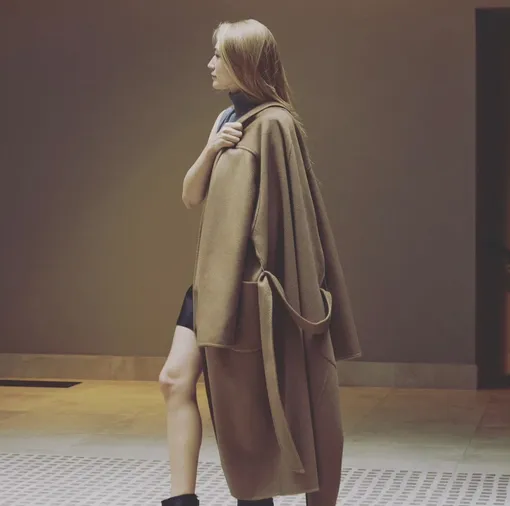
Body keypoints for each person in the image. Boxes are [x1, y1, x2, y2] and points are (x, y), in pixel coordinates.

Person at [159, 19, 361, 506]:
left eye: (219, 55)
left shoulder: (275, 124)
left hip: (247, 292)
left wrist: (267, 291)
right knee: (174, 380)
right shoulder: (227, 120)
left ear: (243, 63)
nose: (210, 64)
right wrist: (212, 148)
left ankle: (258, 497)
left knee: (250, 409)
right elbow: (190, 195)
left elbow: (288, 221)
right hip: (211, 285)